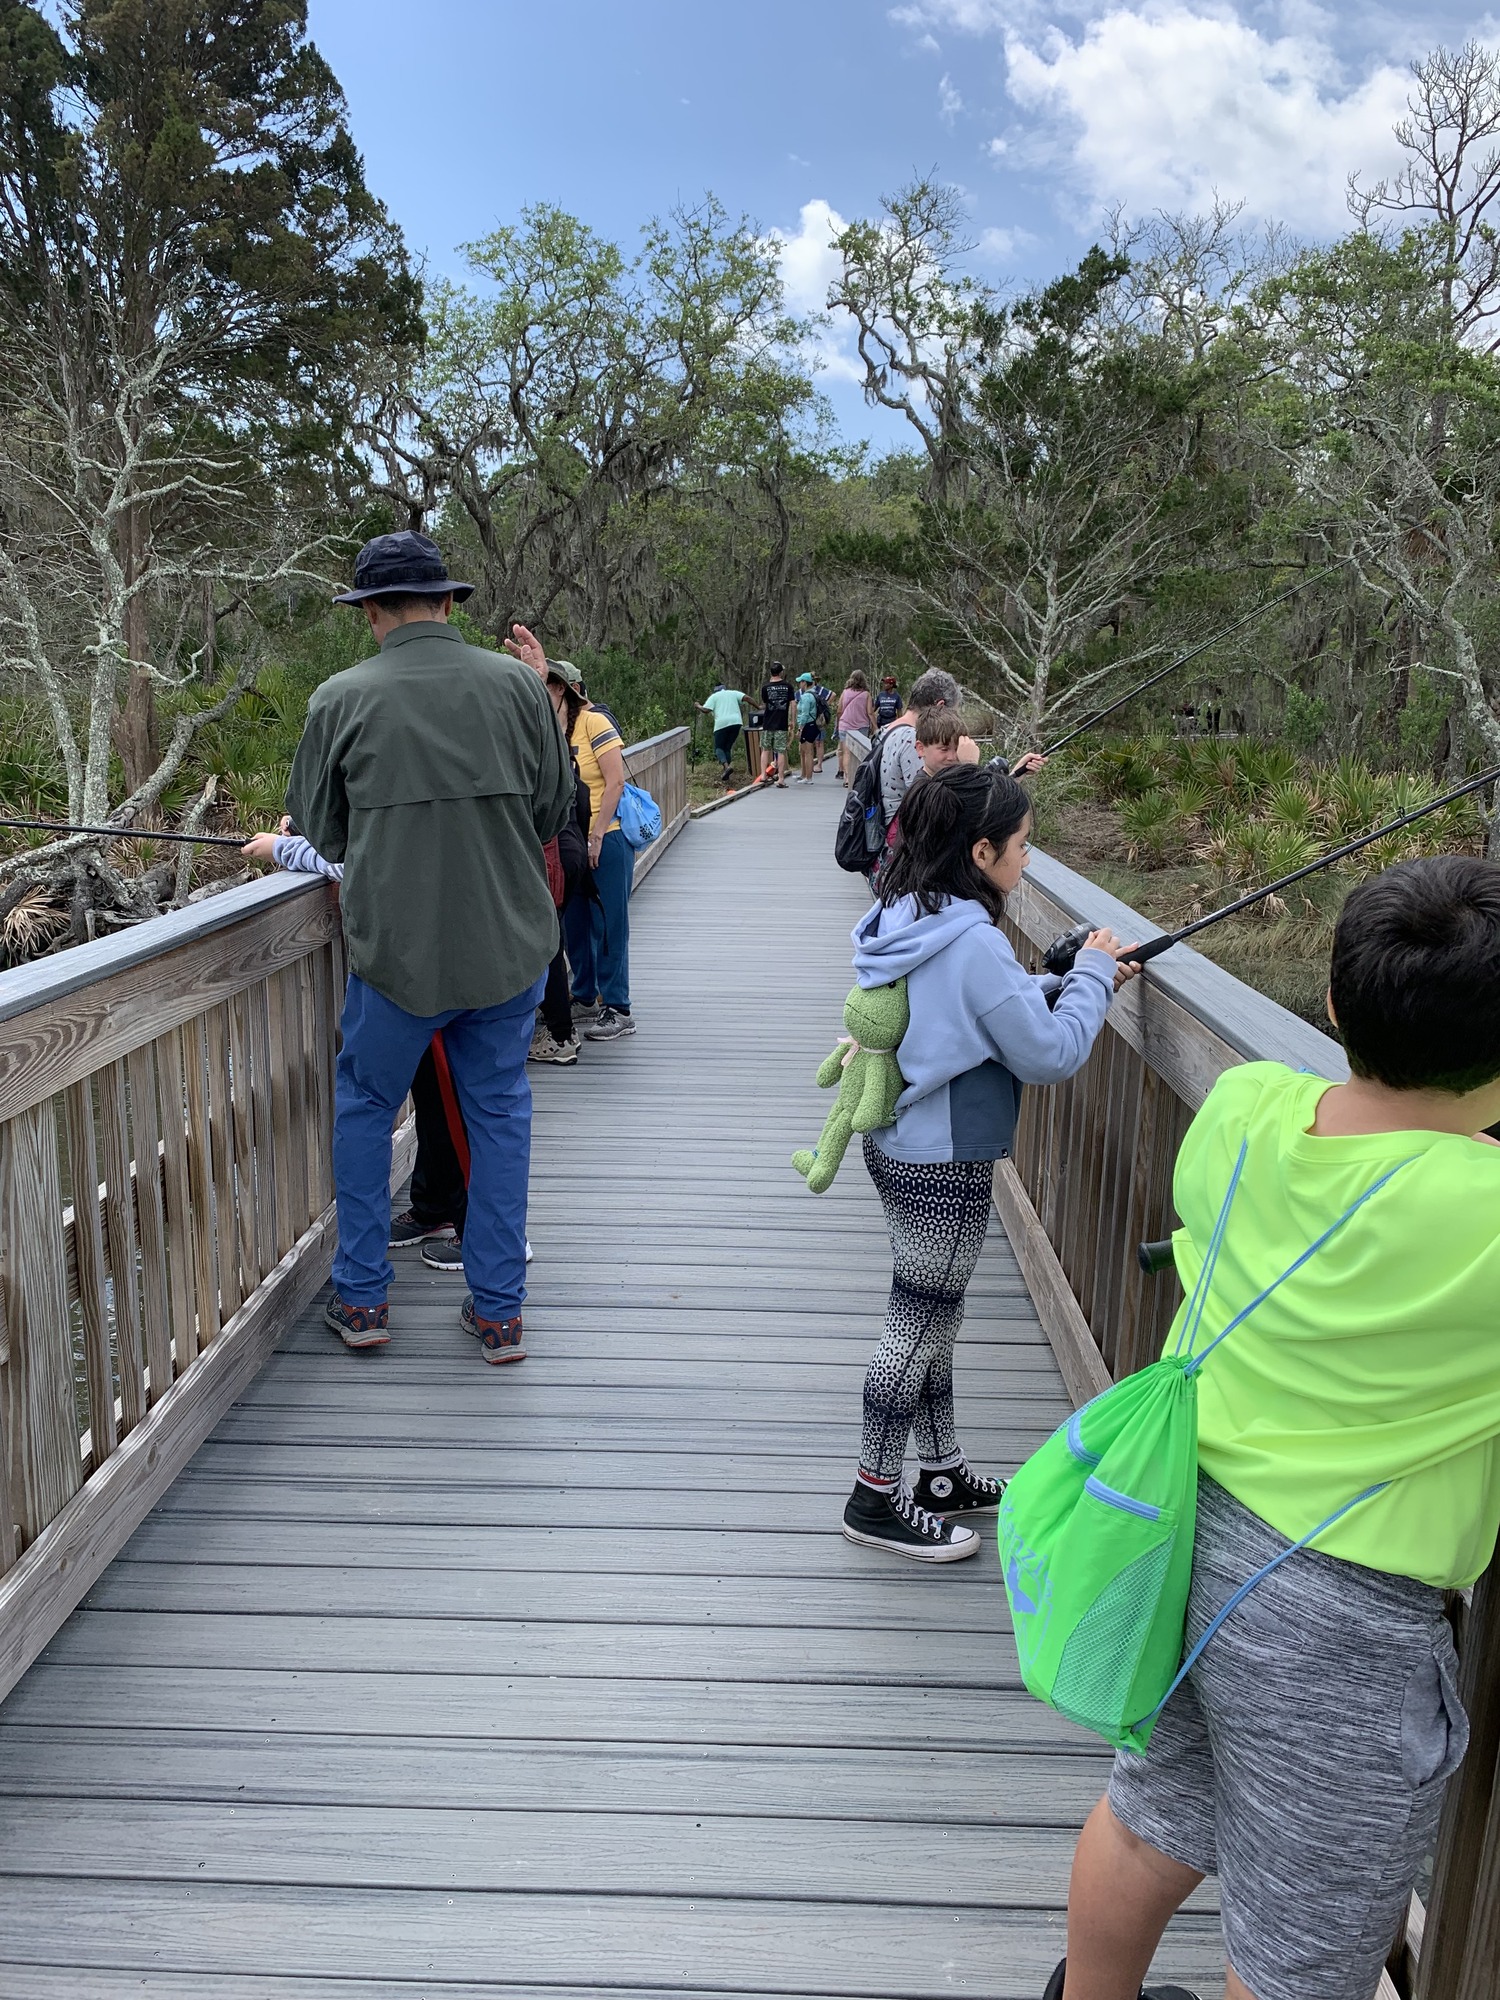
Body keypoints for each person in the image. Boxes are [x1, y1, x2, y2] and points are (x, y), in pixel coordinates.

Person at [1050, 854, 1500, 2000]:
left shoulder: (1249, 1109)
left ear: (1335, 1003)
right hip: (1346, 1615)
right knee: (1298, 1947)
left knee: (1149, 1817)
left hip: (1187, 1533)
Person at [285, 530, 574, 1363]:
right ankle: (499, 1315)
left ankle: (365, 1300)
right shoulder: (522, 689)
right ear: (449, 603)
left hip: (394, 959)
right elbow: (553, 809)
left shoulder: (340, 699)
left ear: (370, 612)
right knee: (500, 1118)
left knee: (366, 1109)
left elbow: (323, 827)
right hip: (507, 950)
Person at [840, 764, 1136, 1562]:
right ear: (979, 851)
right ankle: (873, 1496)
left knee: (935, 1312)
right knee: (918, 1319)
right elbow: (1049, 1055)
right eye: (1021, 846)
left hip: (899, 1141)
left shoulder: (908, 911)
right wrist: (1095, 979)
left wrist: (1068, 978)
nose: (1027, 860)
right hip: (943, 1157)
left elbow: (971, 1013)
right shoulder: (971, 938)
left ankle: (939, 1474)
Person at [561, 663, 637, 1041]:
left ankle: (618, 1007)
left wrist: (597, 837)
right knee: (575, 923)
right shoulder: (553, 728)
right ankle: (585, 995)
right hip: (571, 841)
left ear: (566, 689)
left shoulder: (595, 722)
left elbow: (615, 781)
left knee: (609, 924)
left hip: (607, 837)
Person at [529, 663, 594, 1065]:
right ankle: (556, 1023)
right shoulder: (566, 755)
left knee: (549, 948)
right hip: (568, 854)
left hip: (554, 858)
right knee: (554, 943)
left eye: (555, 688)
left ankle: (559, 1037)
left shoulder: (548, 751)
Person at [698, 680, 747, 787]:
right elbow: (747, 698)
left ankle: (726, 767)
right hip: (736, 722)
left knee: (719, 748)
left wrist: (698, 706)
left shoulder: (714, 697)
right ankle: (727, 773)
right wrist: (758, 707)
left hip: (721, 724)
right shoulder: (733, 693)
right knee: (727, 748)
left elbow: (706, 710)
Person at [759, 662, 794, 785]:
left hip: (768, 723)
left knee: (765, 749)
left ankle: (763, 775)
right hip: (781, 723)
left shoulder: (765, 687)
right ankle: (781, 779)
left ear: (771, 673)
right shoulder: (788, 686)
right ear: (781, 673)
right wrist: (792, 720)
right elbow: (793, 704)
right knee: (780, 750)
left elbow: (765, 702)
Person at [837, 673, 872, 785]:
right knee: (861, 754)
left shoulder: (845, 692)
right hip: (861, 726)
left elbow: (839, 710)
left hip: (845, 725)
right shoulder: (866, 694)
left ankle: (847, 778)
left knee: (846, 753)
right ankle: (859, 778)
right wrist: (874, 726)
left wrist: (838, 723)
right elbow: (870, 712)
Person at [794, 672, 820, 783]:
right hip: (812, 725)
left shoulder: (805, 697)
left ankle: (808, 778)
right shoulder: (814, 694)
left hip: (807, 726)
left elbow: (804, 714)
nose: (799, 684)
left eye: (801, 682)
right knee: (804, 751)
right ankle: (804, 775)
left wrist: (800, 729)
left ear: (805, 683)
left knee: (808, 752)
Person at [813, 677, 834, 773]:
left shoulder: (820, 690)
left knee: (819, 742)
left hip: (819, 719)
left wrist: (825, 706)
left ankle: (819, 764)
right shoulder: (803, 691)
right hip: (808, 718)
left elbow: (833, 695)